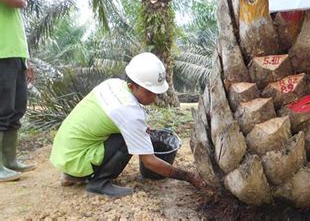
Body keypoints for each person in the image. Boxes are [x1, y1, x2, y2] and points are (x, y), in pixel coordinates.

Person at [50, 52, 207, 197]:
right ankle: (98, 184)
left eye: (156, 92)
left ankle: (73, 174)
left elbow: (116, 119)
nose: (154, 97)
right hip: (76, 159)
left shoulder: (113, 84)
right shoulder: (129, 113)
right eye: (149, 91)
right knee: (126, 140)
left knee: (129, 134)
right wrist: (188, 176)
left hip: (64, 152)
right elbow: (149, 161)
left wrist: (139, 130)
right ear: (133, 86)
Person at [0, 0, 36, 182]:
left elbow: (15, 27)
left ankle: (9, 160)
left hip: (15, 54)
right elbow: (17, 0)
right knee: (3, 110)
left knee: (16, 108)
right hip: (2, 54)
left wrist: (26, 58)